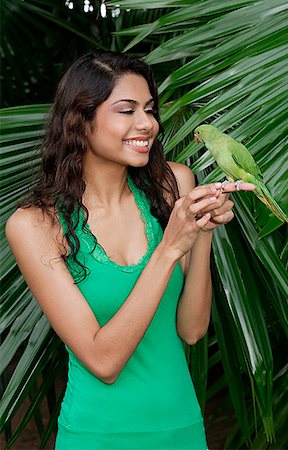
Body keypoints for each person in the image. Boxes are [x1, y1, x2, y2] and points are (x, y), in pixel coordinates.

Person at [6, 50, 255, 450]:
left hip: (181, 428)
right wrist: (169, 248)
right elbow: (104, 363)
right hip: (96, 435)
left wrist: (201, 230)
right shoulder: (35, 225)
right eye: (127, 110)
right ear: (81, 120)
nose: (147, 124)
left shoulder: (174, 183)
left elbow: (192, 330)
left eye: (150, 109)